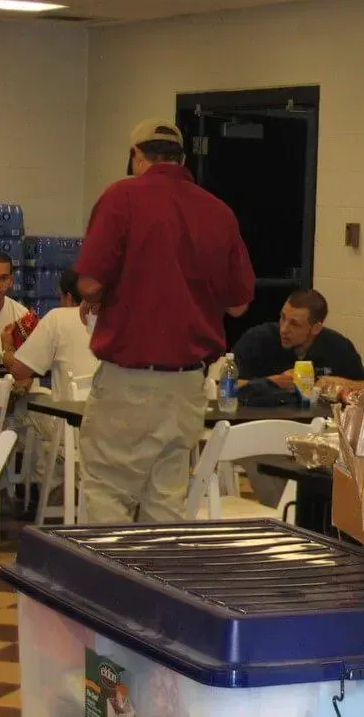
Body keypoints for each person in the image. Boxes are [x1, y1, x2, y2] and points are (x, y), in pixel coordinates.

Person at [74, 118, 255, 523]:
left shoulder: (121, 197)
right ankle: (156, 584)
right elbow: (240, 305)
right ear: (183, 159)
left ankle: (109, 586)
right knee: (166, 497)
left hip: (129, 380)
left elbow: (87, 283)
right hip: (189, 384)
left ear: (137, 156)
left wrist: (104, 294)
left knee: (109, 490)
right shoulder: (218, 211)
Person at [1, 268, 98, 501]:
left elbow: (20, 370)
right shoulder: (115, 319)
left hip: (71, 426)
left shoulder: (57, 318)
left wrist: (7, 347)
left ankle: (31, 487)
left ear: (66, 296)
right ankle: (47, 485)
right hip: (108, 425)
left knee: (20, 411)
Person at [232, 289, 364, 391]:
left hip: (318, 423)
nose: (284, 329)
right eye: (283, 318)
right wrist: (272, 382)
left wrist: (341, 382)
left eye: (294, 324)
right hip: (259, 421)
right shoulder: (257, 340)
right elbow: (224, 386)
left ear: (316, 328)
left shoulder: (337, 347)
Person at [0, 251, 31, 375]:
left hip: (11, 388)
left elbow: (28, 370)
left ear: (11, 281)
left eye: (3, 278)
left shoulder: (21, 316)